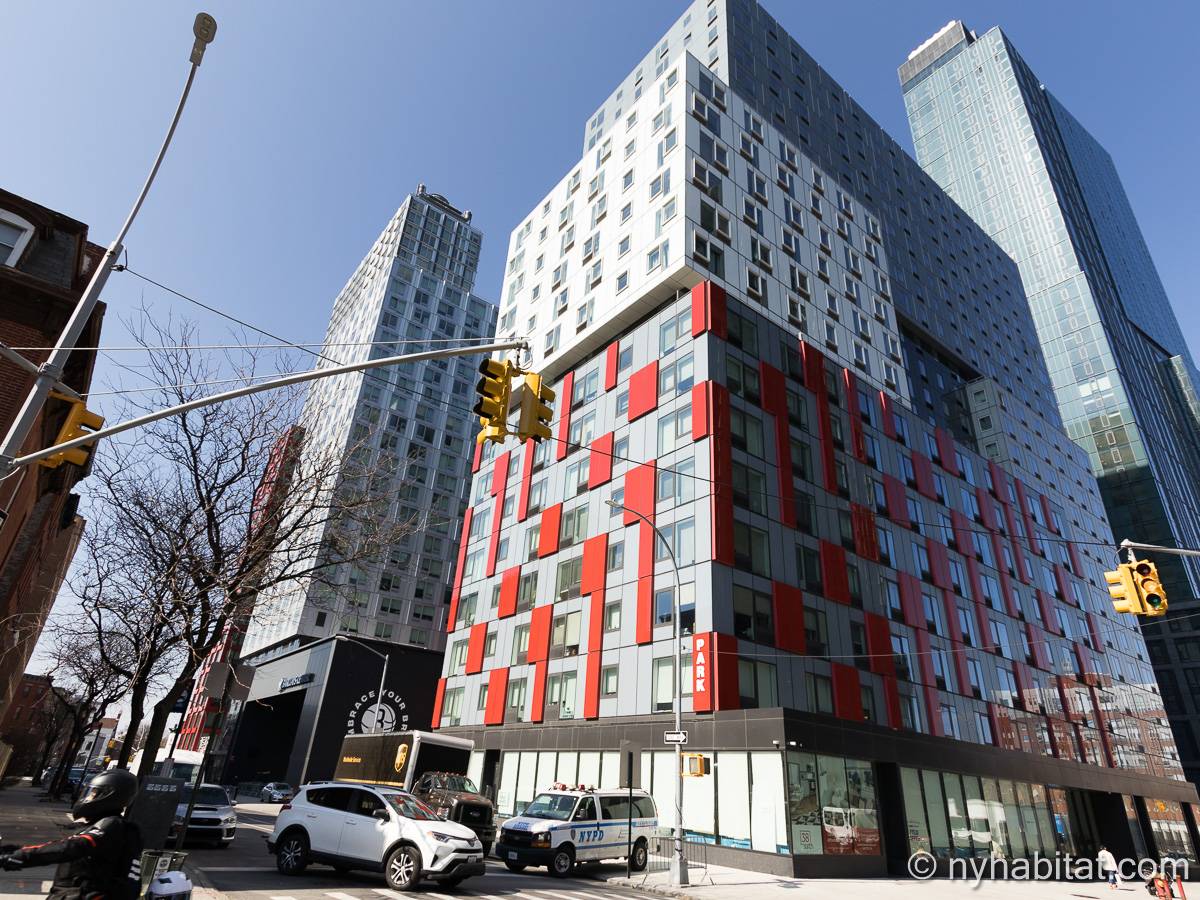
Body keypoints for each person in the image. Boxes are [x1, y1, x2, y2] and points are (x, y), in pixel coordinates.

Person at [0, 769, 142, 900]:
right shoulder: (111, 827)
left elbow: (71, 847)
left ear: (108, 795)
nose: (88, 797)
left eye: (93, 793)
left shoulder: (111, 825)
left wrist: (19, 857)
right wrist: (13, 850)